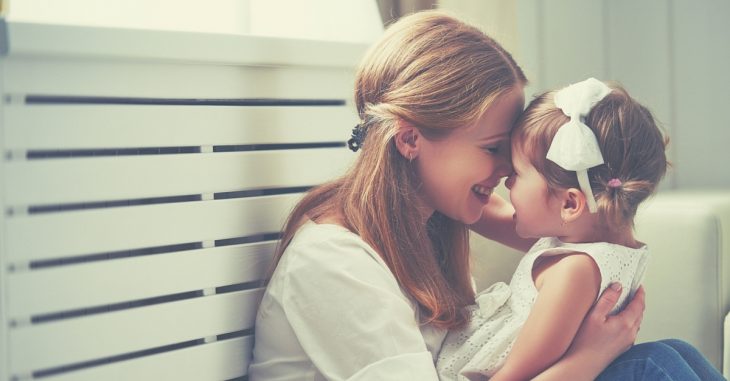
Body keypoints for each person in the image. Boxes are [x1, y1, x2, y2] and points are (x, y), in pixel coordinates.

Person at [248, 10, 720, 381]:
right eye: (494, 149)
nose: (505, 173)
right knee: (650, 369)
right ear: (410, 140)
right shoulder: (334, 263)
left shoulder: (430, 221)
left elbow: (570, 224)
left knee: (670, 356)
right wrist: (592, 355)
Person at [436, 77, 725, 381]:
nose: (507, 181)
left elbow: (516, 375)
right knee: (664, 356)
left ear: (571, 204)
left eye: (518, 174)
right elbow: (490, 213)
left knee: (665, 356)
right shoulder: (592, 243)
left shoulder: (574, 271)